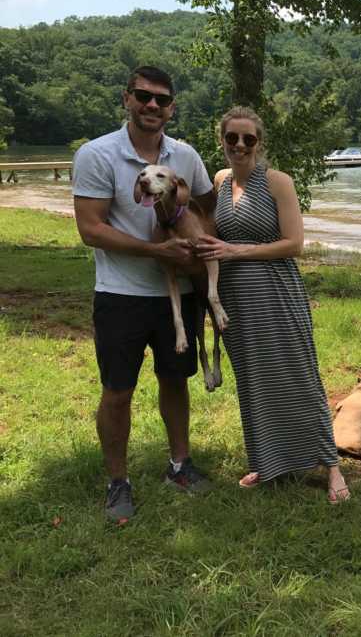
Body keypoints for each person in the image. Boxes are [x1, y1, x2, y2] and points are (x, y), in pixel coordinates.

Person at [73, 66, 216, 523]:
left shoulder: (186, 157)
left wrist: (199, 253)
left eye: (161, 99)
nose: (152, 105)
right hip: (121, 293)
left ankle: (180, 465)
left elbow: (206, 209)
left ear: (171, 107)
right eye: (143, 96)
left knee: (176, 379)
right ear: (127, 99)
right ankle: (118, 482)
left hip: (179, 294)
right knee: (118, 390)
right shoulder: (98, 154)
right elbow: (91, 229)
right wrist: (157, 249)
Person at [195, 106, 350, 503]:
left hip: (275, 292)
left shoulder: (278, 182)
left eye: (249, 139)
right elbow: (211, 237)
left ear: (259, 143)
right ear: (222, 141)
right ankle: (267, 461)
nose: (240, 146)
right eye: (232, 138)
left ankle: (331, 467)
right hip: (234, 297)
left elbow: (293, 244)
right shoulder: (220, 181)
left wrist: (235, 250)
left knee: (297, 373)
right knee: (253, 377)